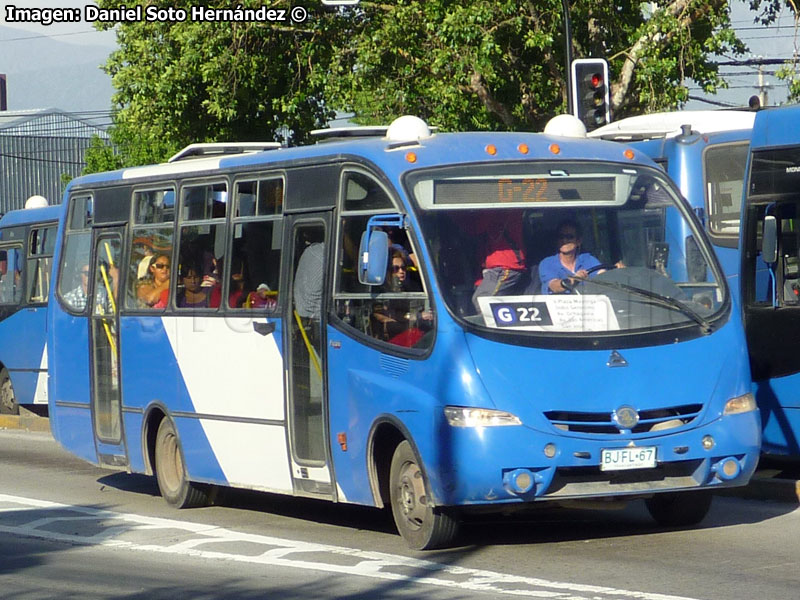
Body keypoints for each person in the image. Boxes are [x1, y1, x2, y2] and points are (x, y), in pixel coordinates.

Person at [457, 210, 527, 311]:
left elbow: (475, 228)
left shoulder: (496, 209)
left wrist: (453, 215)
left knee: (482, 300)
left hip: (505, 266)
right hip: (494, 267)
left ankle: (487, 327)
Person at [539, 219, 609, 294]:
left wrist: (616, 272)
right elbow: (554, 286)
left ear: (578, 241)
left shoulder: (587, 259)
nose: (564, 240)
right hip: (559, 305)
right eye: (561, 237)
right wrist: (573, 280)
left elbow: (602, 276)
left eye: (569, 237)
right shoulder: (547, 263)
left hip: (588, 304)